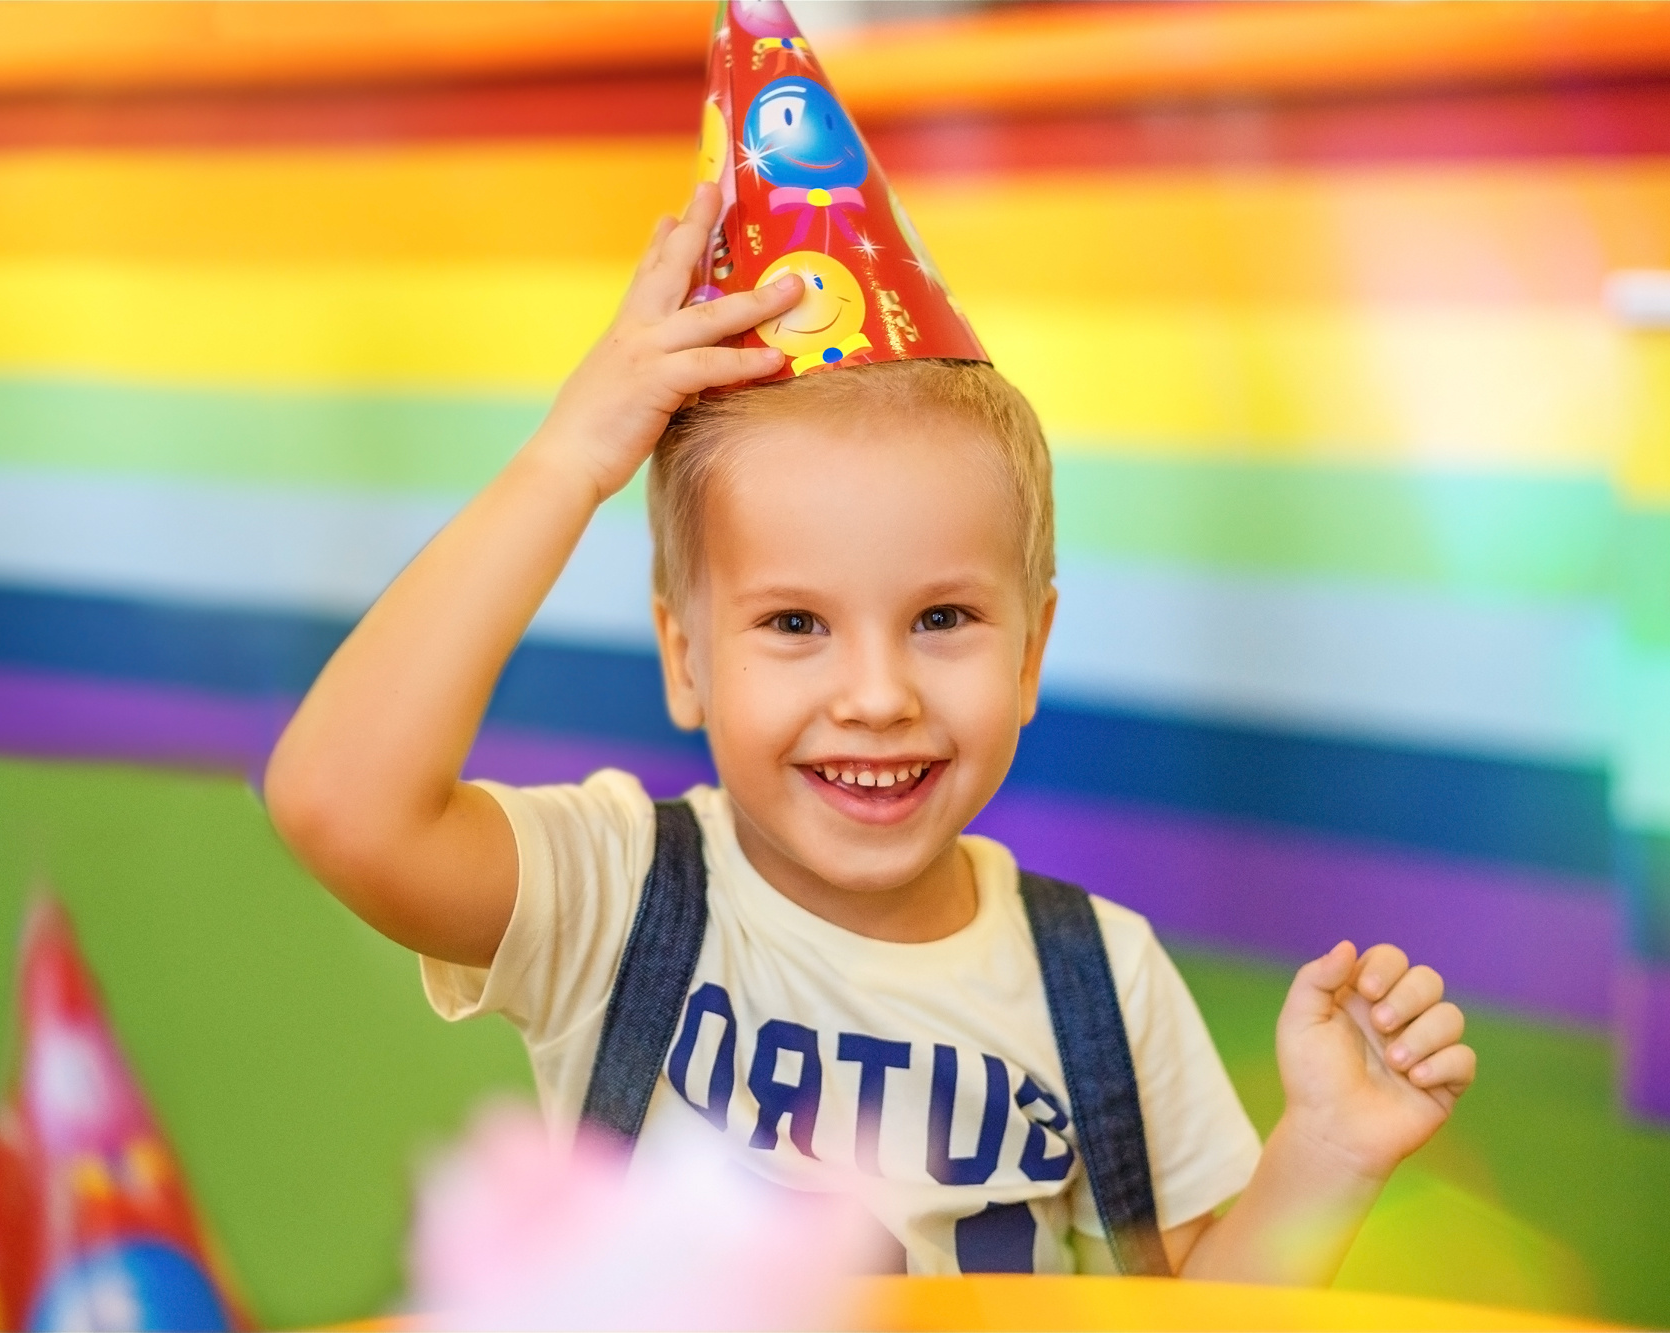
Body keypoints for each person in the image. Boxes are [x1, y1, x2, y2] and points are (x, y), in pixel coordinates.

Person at [264, 182, 1476, 1283]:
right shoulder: (618, 894)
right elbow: (340, 800)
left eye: (941, 617)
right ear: (685, 658)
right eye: (795, 622)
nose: (878, 694)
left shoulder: (1098, 978)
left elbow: (1190, 1317)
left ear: (1030, 653)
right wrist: (569, 458)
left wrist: (1322, 1151)